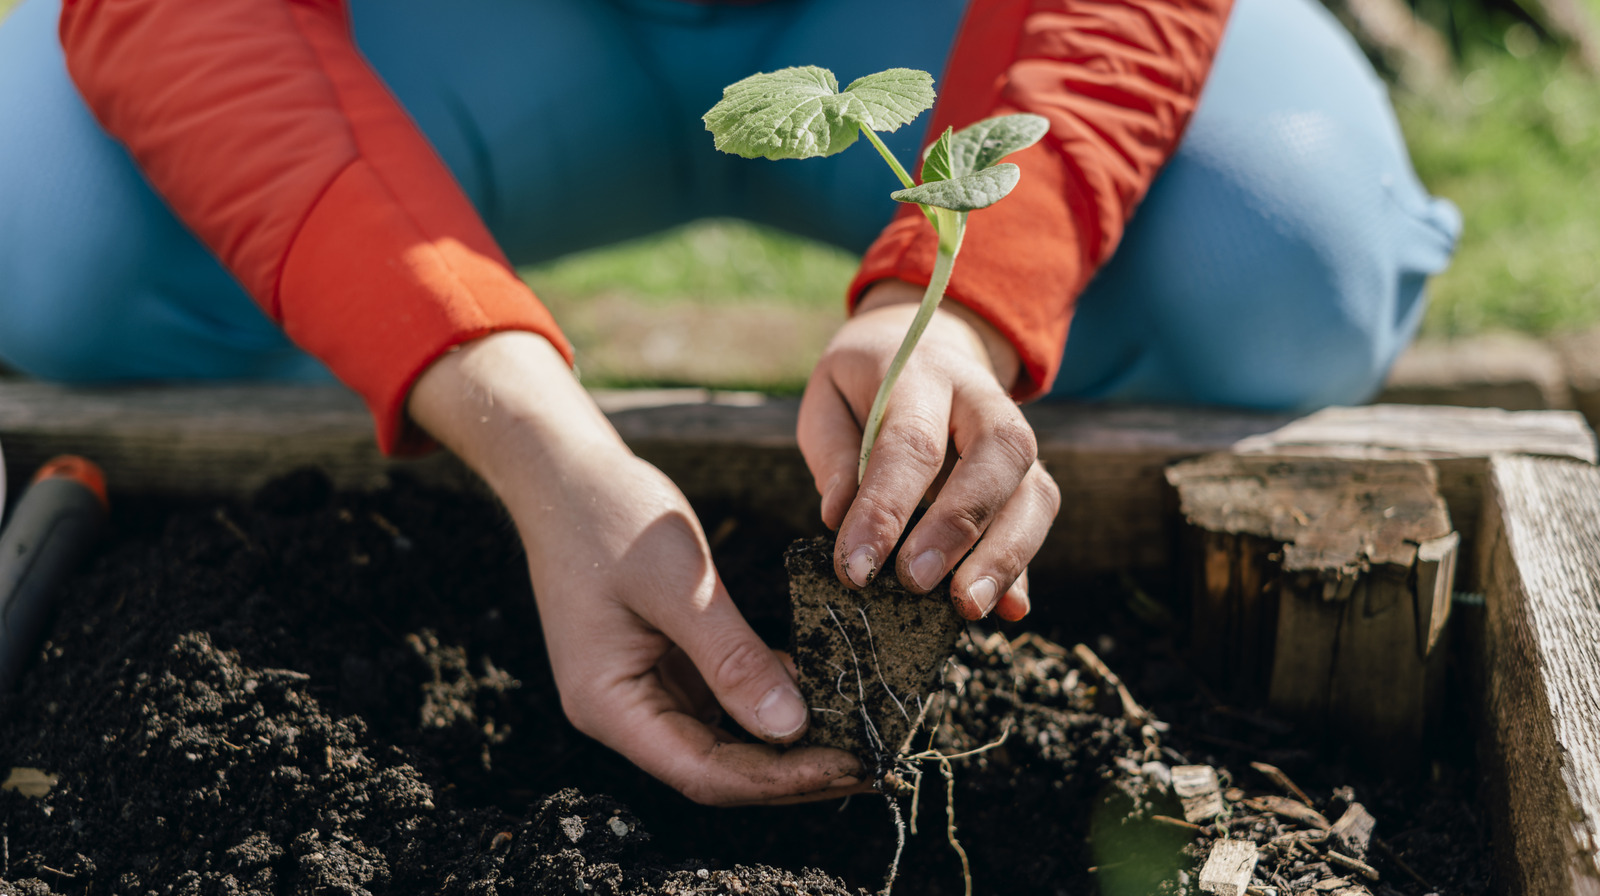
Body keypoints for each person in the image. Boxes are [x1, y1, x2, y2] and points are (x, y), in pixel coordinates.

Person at [0, 0, 1458, 806]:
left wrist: (959, 303)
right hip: (469, 32)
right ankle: (339, 381)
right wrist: (523, 427)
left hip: (907, 24)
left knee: (1287, 260)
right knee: (40, 227)